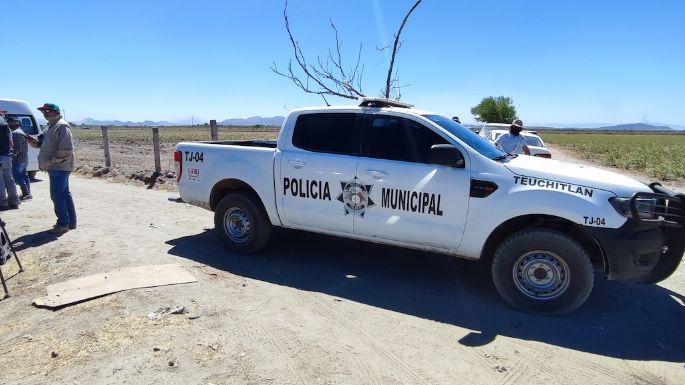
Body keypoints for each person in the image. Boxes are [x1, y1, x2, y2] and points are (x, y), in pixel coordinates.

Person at [29, 103, 76, 234]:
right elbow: (47, 145)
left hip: (59, 167)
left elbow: (66, 150)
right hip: (56, 166)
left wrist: (51, 162)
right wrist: (34, 143)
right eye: (43, 111)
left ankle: (63, 224)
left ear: (55, 111)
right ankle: (70, 222)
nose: (45, 113)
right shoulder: (51, 126)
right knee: (64, 194)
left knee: (57, 196)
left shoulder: (61, 126)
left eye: (47, 110)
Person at [8, 117, 32, 200]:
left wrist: (13, 155)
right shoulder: (21, 131)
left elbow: (18, 147)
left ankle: (26, 193)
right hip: (24, 158)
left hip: (18, 159)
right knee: (24, 176)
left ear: (13, 123)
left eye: (9, 122)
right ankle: (28, 193)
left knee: (17, 176)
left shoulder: (15, 133)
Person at [0, 113, 20, 210]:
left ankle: (3, 203)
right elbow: (11, 144)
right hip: (7, 157)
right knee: (10, 179)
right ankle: (14, 201)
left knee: (0, 181)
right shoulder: (7, 129)